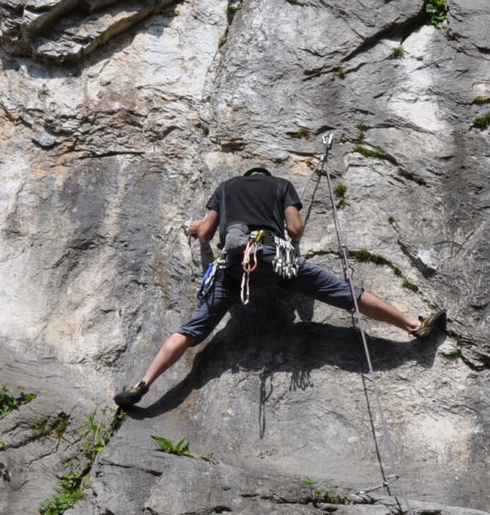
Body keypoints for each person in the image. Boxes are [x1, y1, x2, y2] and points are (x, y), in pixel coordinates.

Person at [115, 166, 444, 408]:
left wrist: (197, 228)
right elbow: (295, 227)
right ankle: (414, 325)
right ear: (266, 176)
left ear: (246, 175)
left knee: (191, 331)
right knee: (345, 294)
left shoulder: (226, 187)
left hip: (234, 267)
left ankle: (142, 384)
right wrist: (293, 236)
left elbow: (205, 233)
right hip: (275, 258)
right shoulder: (281, 185)